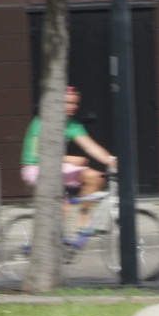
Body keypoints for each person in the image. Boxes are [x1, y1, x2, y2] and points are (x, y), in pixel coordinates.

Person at [19, 86, 117, 235]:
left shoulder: (72, 125)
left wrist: (112, 161)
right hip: (35, 169)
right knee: (62, 206)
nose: (73, 107)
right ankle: (54, 242)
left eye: (76, 103)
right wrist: (69, 159)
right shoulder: (43, 121)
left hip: (57, 168)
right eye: (68, 102)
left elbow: (92, 148)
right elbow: (37, 153)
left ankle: (82, 223)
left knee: (96, 178)